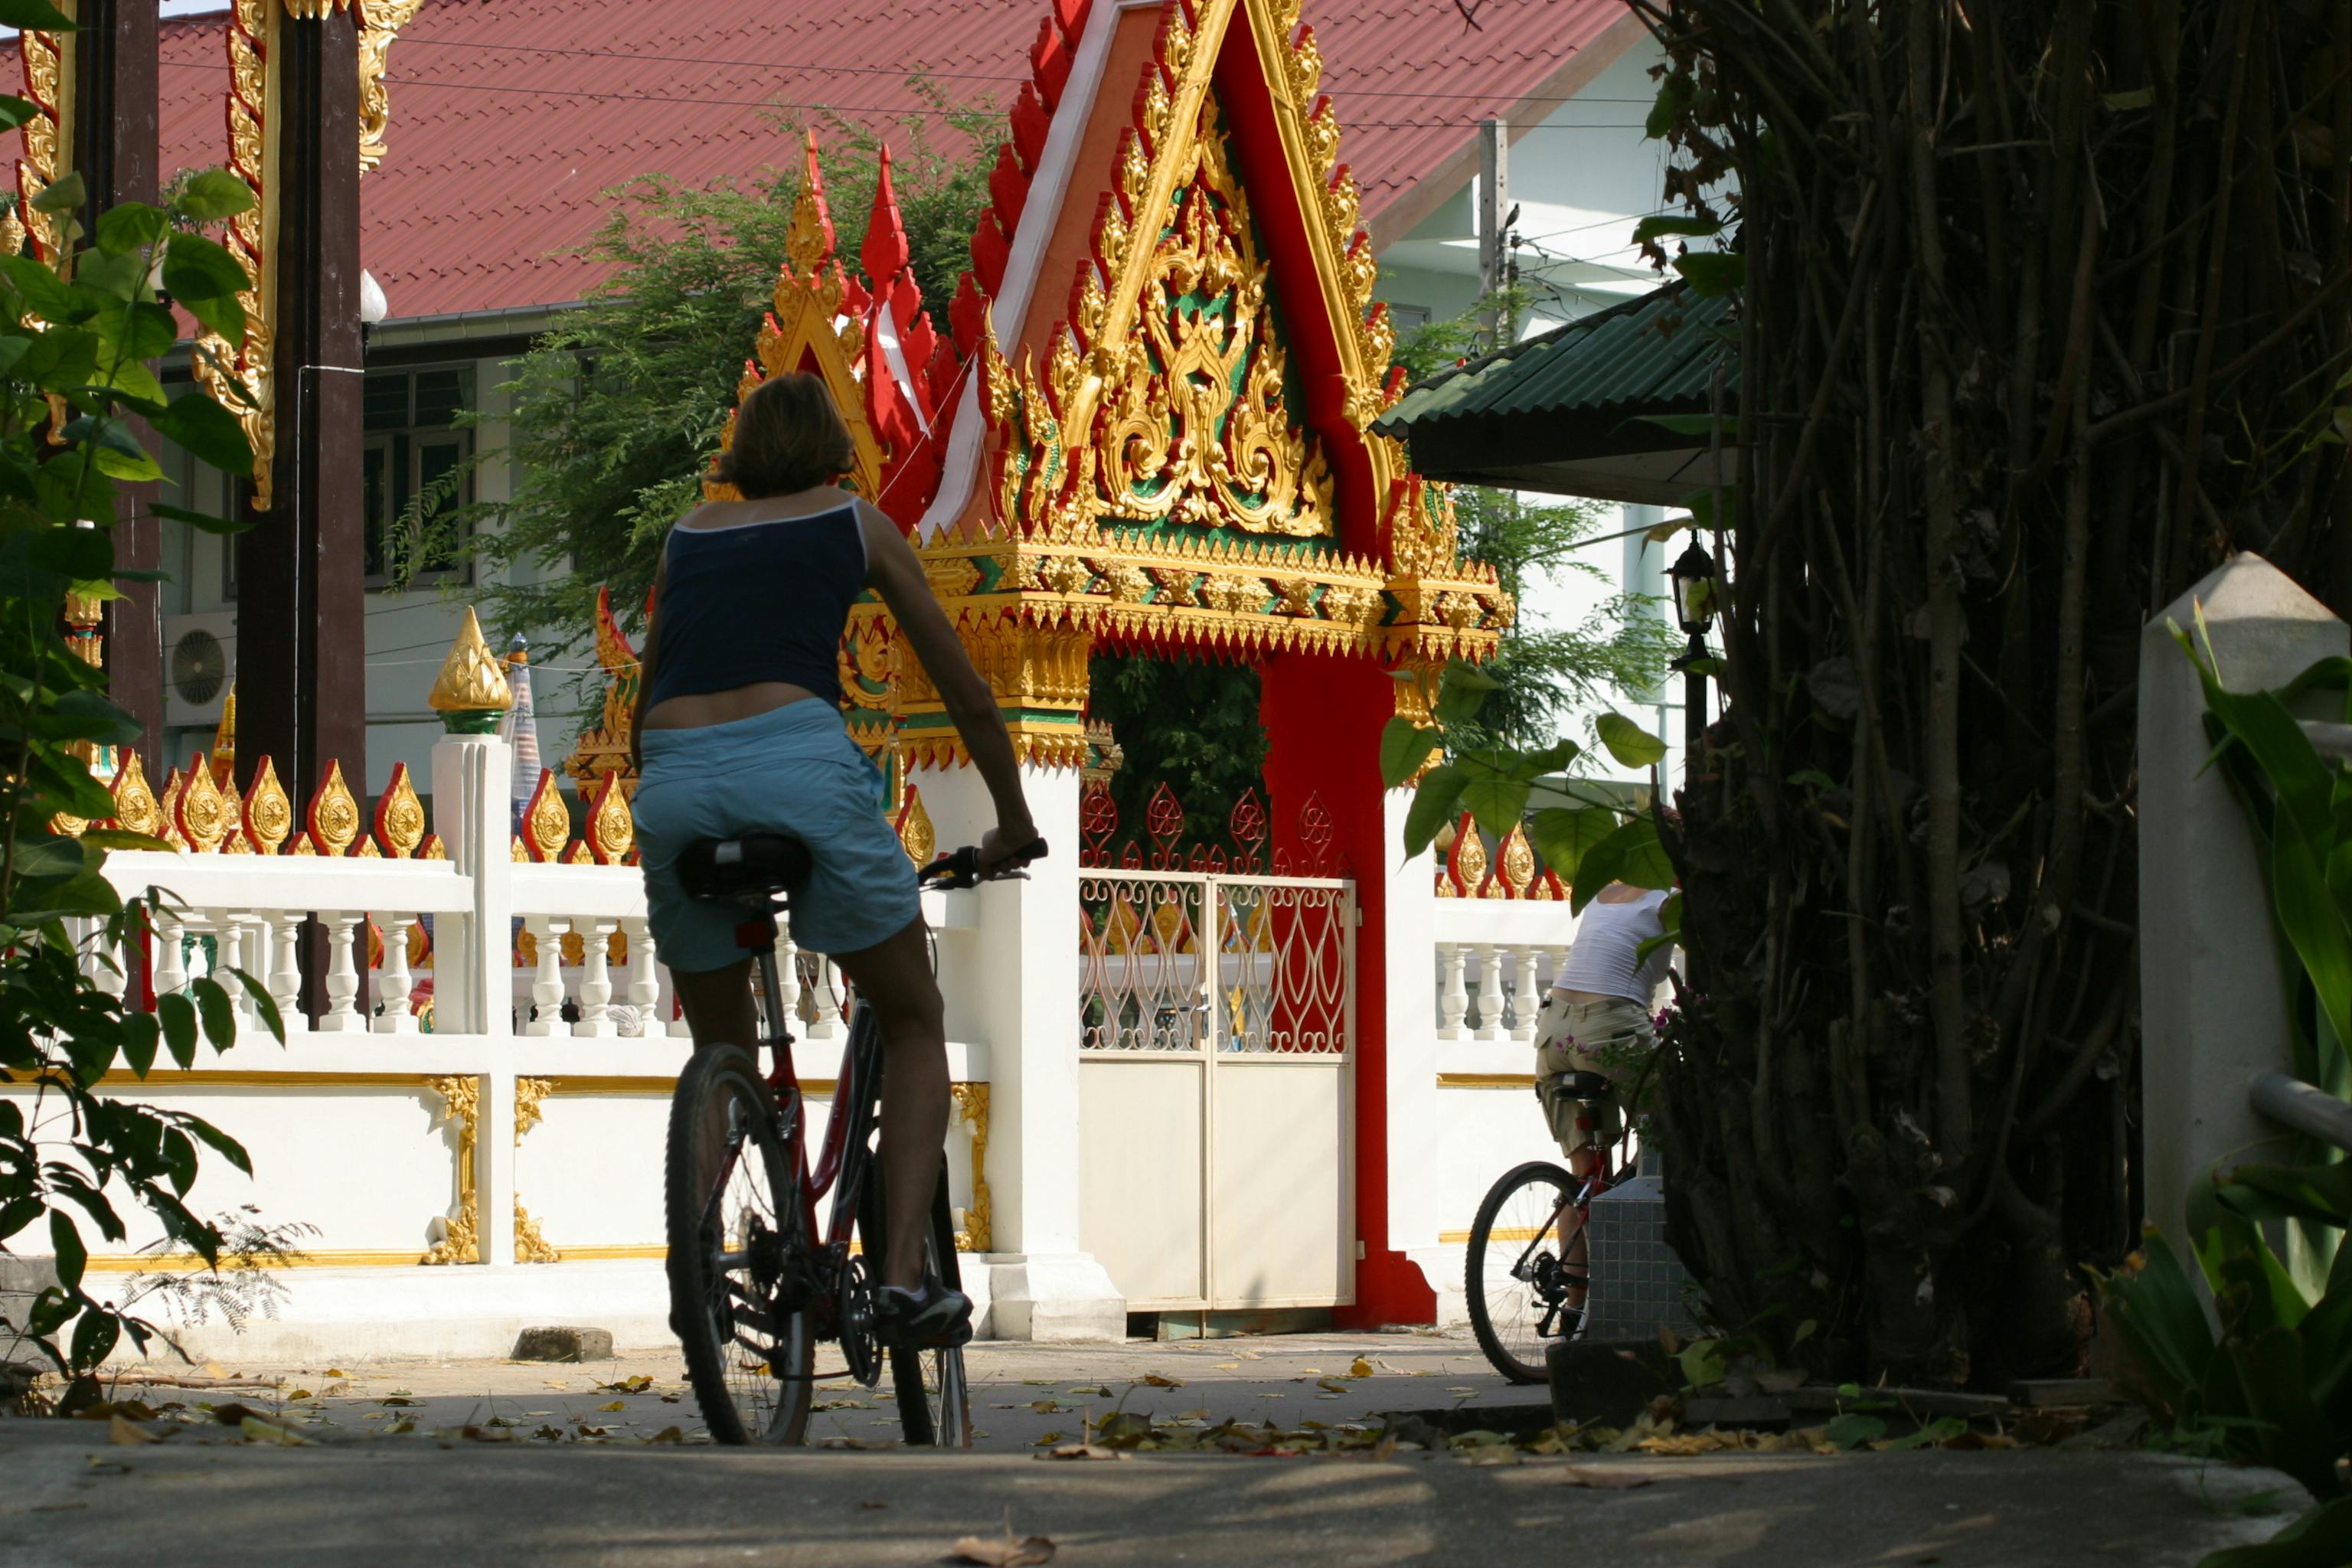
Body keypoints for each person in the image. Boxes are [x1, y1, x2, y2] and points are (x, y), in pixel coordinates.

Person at [628, 371, 1041, 1349]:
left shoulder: (688, 533)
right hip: (803, 770)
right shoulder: (857, 523)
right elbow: (968, 693)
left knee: (718, 1054)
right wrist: (1015, 820)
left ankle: (695, 1268)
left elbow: (650, 694)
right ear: (833, 449)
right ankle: (901, 1275)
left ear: (741, 457)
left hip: (676, 784)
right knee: (911, 1014)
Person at [1530, 880, 1674, 1314]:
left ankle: (1574, 1311)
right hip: (1610, 1028)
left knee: (1584, 1181)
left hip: (1554, 1031)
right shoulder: (1670, 899)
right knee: (1674, 1129)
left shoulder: (1600, 893)